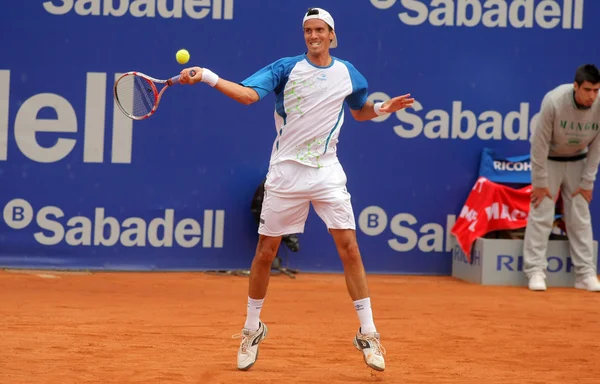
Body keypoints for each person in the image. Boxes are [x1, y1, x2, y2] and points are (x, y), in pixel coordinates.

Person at [179, 7, 414, 371]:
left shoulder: (347, 73)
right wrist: (208, 75)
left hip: (326, 172)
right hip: (286, 173)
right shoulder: (285, 68)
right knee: (264, 253)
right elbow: (246, 96)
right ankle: (252, 328)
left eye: (320, 30)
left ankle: (368, 334)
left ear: (332, 35)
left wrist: (383, 107)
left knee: (349, 248)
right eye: (308, 31)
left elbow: (359, 111)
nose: (314, 36)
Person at [524, 64, 600, 292]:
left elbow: (597, 147)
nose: (592, 96)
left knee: (580, 216)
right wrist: (539, 181)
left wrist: (588, 181)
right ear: (575, 86)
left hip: (579, 161)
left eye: (596, 90)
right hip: (549, 161)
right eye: (587, 90)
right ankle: (535, 271)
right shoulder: (554, 101)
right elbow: (539, 144)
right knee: (542, 213)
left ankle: (585, 274)